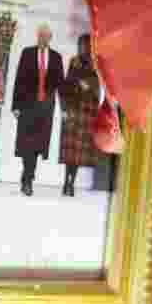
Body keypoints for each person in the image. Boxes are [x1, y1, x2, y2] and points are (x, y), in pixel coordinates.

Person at [12, 24, 64, 195]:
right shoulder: (27, 53)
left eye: (46, 36)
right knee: (27, 144)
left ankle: (28, 176)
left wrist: (64, 108)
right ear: (37, 36)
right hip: (27, 104)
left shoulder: (56, 58)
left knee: (37, 145)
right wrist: (16, 106)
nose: (42, 39)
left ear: (50, 38)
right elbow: (19, 79)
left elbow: (60, 85)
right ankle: (28, 179)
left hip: (45, 107)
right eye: (40, 35)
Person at [59, 34, 103, 196]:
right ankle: (67, 182)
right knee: (71, 151)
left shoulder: (97, 63)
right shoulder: (74, 62)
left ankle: (70, 182)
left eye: (86, 45)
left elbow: (99, 83)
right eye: (81, 45)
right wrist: (65, 108)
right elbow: (68, 83)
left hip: (88, 110)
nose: (83, 48)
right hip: (75, 108)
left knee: (78, 152)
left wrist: (89, 84)